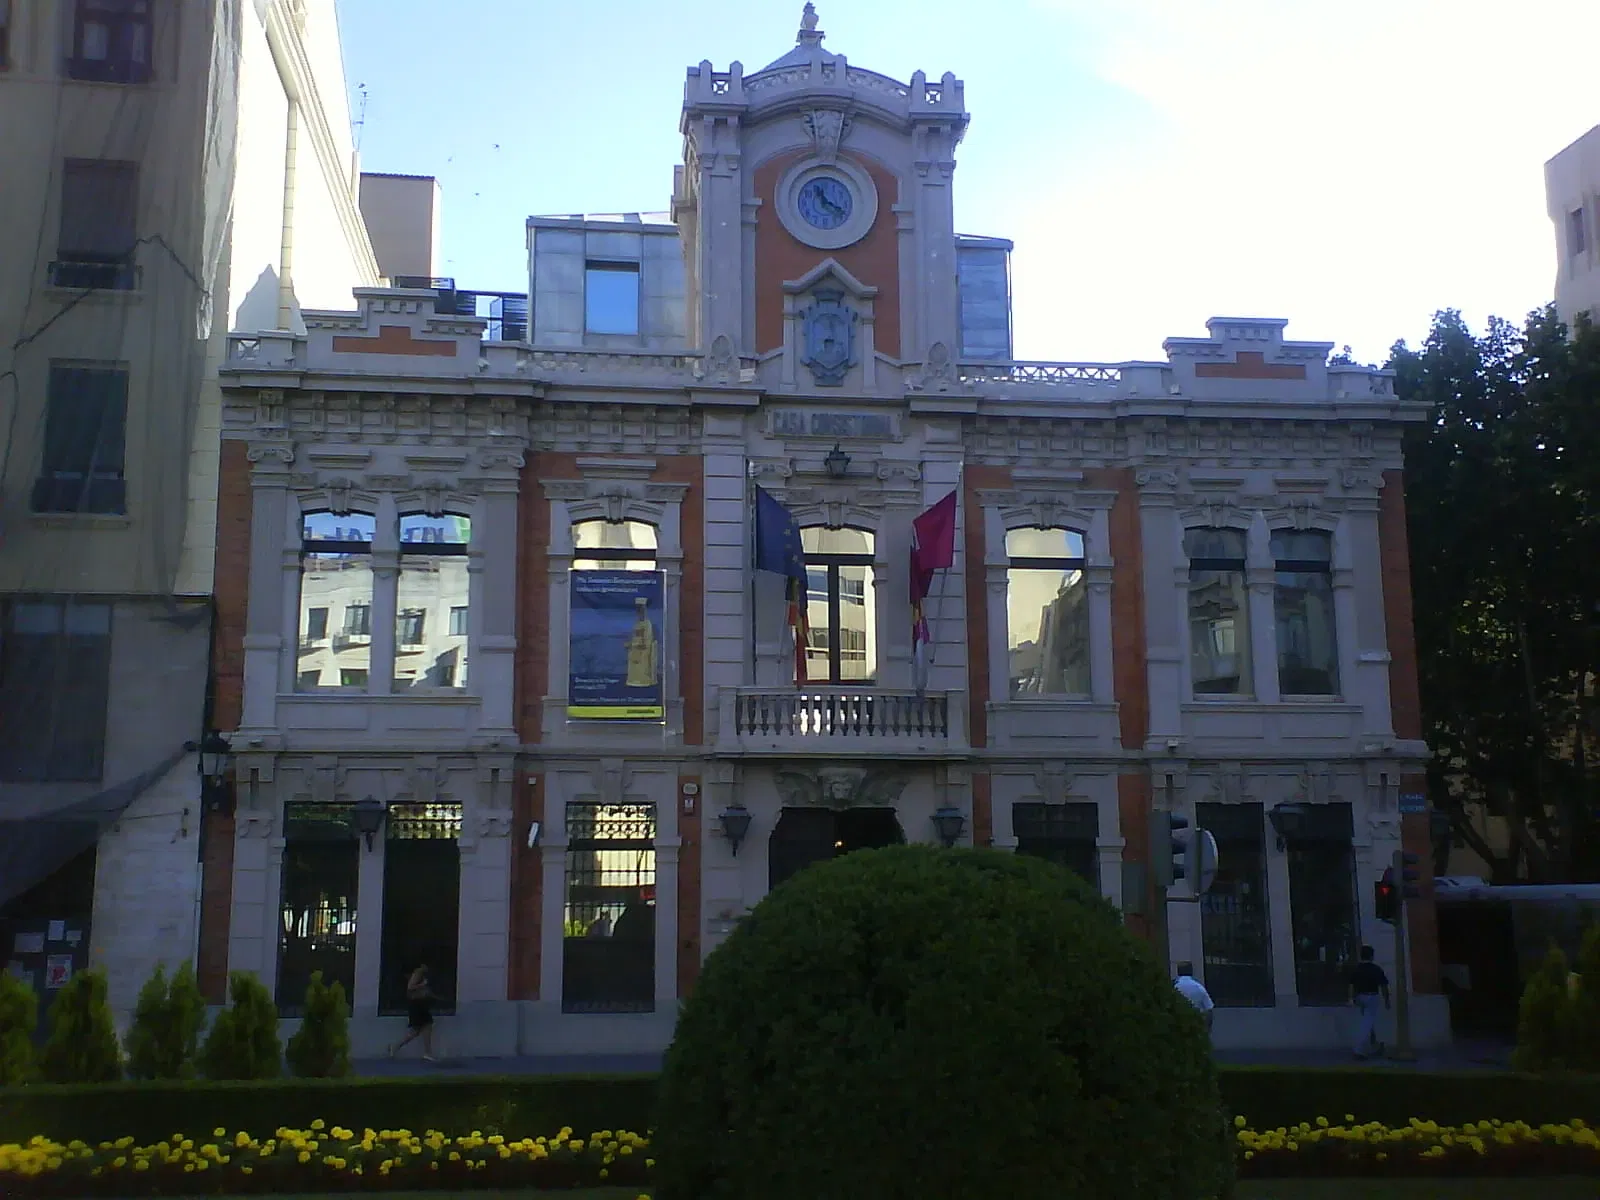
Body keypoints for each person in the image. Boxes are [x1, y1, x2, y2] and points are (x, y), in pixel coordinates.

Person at [1349, 945, 1391, 1059]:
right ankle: (1360, 1049)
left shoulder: (1357, 969)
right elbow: (1383, 986)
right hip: (1373, 996)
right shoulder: (1376, 969)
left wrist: (1352, 998)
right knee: (1368, 1023)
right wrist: (1387, 1000)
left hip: (1360, 997)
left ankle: (1373, 1045)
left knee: (1366, 1022)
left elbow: (1352, 986)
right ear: (1372, 956)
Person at [389, 964, 436, 1063]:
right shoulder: (418, 973)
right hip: (417, 1005)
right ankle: (427, 1052)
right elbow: (410, 987)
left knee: (418, 1030)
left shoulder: (421, 974)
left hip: (419, 1004)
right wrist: (422, 985)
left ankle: (395, 1047)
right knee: (425, 1026)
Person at [1173, 961, 1215, 1034]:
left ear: (1178, 971)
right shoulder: (1199, 987)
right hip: (1196, 1027)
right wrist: (1208, 1028)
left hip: (1178, 1026)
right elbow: (1209, 1010)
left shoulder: (1174, 987)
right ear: (1191, 971)